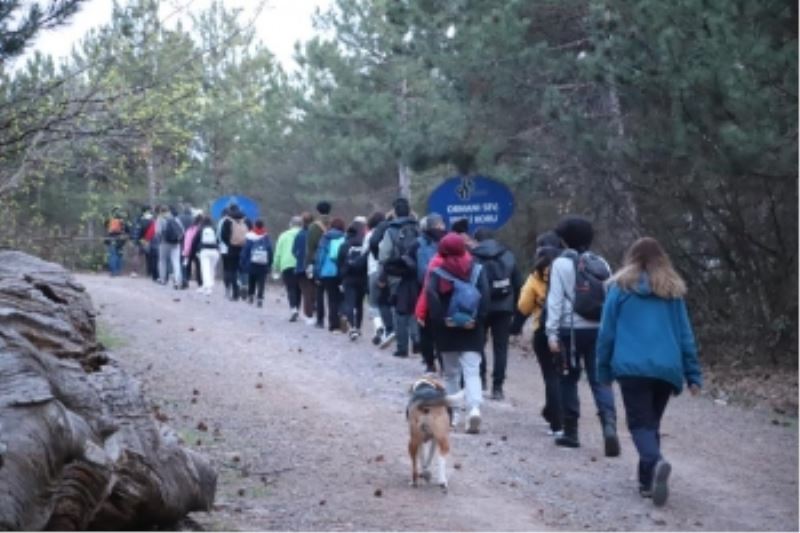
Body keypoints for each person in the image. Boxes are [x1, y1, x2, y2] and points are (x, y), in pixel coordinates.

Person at [596, 237, 702, 506]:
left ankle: (655, 464)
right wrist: (693, 374)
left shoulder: (620, 289)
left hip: (631, 368)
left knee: (639, 424)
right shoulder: (672, 292)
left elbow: (606, 334)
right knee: (651, 422)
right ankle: (646, 483)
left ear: (630, 257)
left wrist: (603, 371)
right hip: (667, 368)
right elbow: (685, 335)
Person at [546, 215, 619, 455]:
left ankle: (571, 432)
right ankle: (609, 424)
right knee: (600, 379)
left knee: (568, 379)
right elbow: (610, 299)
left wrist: (551, 334)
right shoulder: (602, 263)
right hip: (598, 329)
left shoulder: (560, 264)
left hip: (570, 331)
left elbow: (555, 301)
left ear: (565, 240)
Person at [415, 232, 490, 433]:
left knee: (450, 373)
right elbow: (485, 297)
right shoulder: (478, 269)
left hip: (446, 330)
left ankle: (454, 414)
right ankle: (474, 409)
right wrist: (477, 321)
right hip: (472, 329)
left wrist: (441, 321)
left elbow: (431, 296)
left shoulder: (438, 271)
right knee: (472, 371)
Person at [516, 230, 564, 435]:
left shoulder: (535, 276)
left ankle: (556, 423)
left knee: (550, 376)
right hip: (569, 328)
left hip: (542, 329)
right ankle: (569, 421)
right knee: (566, 376)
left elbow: (524, 306)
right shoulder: (570, 269)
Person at [471, 228, 522, 400]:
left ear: (476, 240)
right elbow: (518, 282)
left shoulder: (473, 255)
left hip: (481, 305)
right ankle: (498, 387)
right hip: (504, 307)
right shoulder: (507, 254)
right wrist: (515, 307)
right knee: (501, 348)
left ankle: (481, 379)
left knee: (478, 344)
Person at [378, 197, 420, 358]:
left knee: (399, 310)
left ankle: (402, 348)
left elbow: (384, 255)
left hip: (397, 274)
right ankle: (418, 340)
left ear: (394, 212)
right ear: (410, 211)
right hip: (416, 273)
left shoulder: (391, 230)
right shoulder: (418, 228)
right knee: (416, 308)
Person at [408, 212, 446, 373]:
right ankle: (439, 362)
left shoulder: (417, 244)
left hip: (424, 289)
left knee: (427, 328)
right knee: (439, 329)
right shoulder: (446, 241)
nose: (441, 227)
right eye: (439, 224)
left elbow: (410, 265)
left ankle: (431, 363)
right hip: (441, 290)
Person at [365, 211, 395, 347]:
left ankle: (379, 327)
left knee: (374, 303)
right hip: (389, 271)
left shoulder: (370, 236)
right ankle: (391, 328)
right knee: (387, 302)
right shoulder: (391, 233)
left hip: (373, 271)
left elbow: (363, 253)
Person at [338, 219, 368, 340]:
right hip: (362, 277)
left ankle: (352, 328)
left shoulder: (345, 245)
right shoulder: (364, 244)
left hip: (348, 277)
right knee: (359, 303)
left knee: (349, 302)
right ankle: (359, 327)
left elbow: (339, 261)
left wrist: (341, 275)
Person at [314, 217, 346, 331]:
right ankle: (341, 318)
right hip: (341, 271)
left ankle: (330, 324)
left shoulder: (325, 238)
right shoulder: (345, 237)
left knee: (331, 297)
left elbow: (320, 256)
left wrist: (317, 272)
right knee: (340, 297)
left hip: (327, 271)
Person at [306, 201, 332, 328]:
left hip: (319, 262)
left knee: (319, 292)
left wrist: (309, 263)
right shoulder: (335, 224)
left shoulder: (313, 227)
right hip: (333, 262)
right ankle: (335, 320)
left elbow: (310, 247)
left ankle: (320, 320)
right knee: (334, 293)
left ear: (317, 211)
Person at [273, 216, 303, 321]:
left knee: (291, 288)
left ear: (291, 224)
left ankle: (293, 308)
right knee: (299, 288)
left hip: (286, 264)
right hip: (300, 264)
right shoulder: (303, 234)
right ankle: (297, 309)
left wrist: (275, 266)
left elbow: (278, 252)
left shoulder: (283, 235)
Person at [219, 204, 250, 301]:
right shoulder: (247, 220)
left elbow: (223, 235)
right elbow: (251, 233)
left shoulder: (227, 220)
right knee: (243, 269)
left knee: (232, 271)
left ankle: (235, 293)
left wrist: (229, 243)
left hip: (232, 249)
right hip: (244, 248)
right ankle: (245, 285)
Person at [240, 219, 273, 307]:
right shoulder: (266, 237)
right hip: (263, 264)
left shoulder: (250, 236)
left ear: (255, 226)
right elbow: (269, 251)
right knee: (261, 282)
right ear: (263, 226)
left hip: (252, 263)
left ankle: (251, 296)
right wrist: (269, 264)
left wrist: (243, 262)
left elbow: (246, 251)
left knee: (252, 279)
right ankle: (260, 299)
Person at [293, 212, 316, 324]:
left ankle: (309, 315)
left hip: (301, 267)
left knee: (306, 291)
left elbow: (294, 251)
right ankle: (315, 313)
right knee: (313, 290)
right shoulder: (315, 234)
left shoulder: (300, 235)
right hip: (314, 266)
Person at [156, 206, 184, 288]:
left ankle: (162, 279)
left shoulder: (160, 219)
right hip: (176, 243)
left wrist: (160, 240)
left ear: (161, 211)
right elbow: (182, 231)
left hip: (164, 242)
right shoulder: (176, 219)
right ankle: (177, 280)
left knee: (162, 260)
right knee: (176, 261)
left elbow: (158, 232)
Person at [192, 215, 220, 295]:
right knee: (212, 269)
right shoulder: (214, 229)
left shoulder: (200, 229)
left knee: (205, 269)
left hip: (204, 251)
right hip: (215, 251)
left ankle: (207, 288)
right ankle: (208, 286)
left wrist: (195, 251)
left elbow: (195, 241)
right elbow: (218, 240)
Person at [181, 213, 204, 289]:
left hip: (187, 250)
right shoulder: (200, 229)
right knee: (198, 266)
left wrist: (185, 250)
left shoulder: (190, 228)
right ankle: (200, 282)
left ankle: (186, 280)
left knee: (187, 266)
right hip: (196, 250)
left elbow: (186, 239)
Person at [104, 206, 128, 277]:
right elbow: (127, 230)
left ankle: (113, 272)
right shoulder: (122, 221)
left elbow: (105, 228)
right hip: (120, 239)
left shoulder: (109, 220)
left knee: (112, 255)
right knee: (119, 255)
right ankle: (118, 271)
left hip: (111, 239)